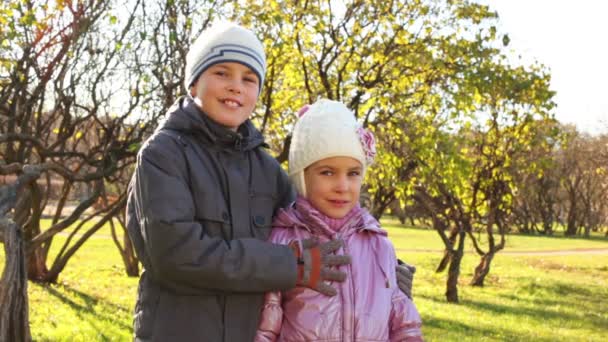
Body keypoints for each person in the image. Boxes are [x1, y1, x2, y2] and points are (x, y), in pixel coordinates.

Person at [126, 22, 415, 342]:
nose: (236, 86)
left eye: (248, 79)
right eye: (222, 73)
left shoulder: (266, 168)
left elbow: (315, 228)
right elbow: (176, 256)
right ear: (194, 84)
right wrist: (287, 264)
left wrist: (379, 268)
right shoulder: (163, 154)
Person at [255, 99, 424, 341]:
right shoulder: (284, 239)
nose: (342, 186)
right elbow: (266, 324)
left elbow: (403, 323)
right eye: (327, 172)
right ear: (302, 177)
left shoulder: (378, 243)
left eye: (353, 173)